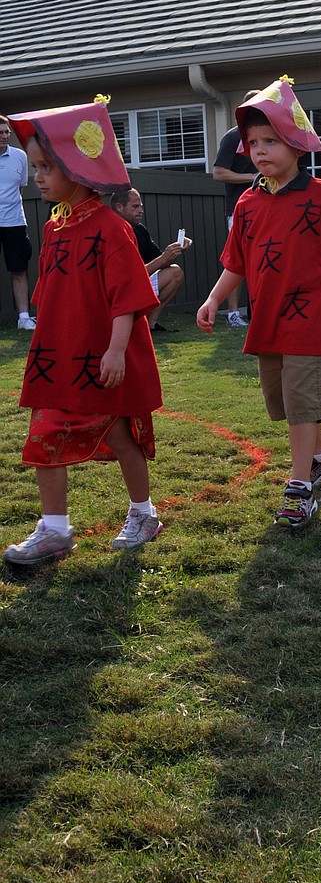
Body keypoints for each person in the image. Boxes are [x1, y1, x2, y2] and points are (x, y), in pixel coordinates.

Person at [197, 77, 321, 529]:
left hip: (310, 320)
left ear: (297, 145)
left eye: (270, 141)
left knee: (299, 399)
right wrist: (214, 298)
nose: (259, 150)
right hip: (268, 321)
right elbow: (236, 261)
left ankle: (300, 486)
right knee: (285, 401)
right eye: (253, 142)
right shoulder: (248, 204)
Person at [3, 98, 164, 566]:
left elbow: (128, 299)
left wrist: (115, 351)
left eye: (47, 166)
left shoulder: (113, 229)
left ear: (78, 166)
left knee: (119, 435)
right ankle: (54, 530)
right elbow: (51, 298)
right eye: (34, 166)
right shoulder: (54, 229)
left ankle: (143, 513)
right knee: (44, 436)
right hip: (59, 356)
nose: (37, 176)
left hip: (101, 357)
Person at [111, 187, 193, 330]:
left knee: (175, 272)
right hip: (118, 292)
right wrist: (162, 259)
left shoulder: (140, 230)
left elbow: (161, 261)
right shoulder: (112, 233)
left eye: (141, 206)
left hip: (138, 285)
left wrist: (179, 249)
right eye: (135, 207)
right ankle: (133, 325)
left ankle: (150, 324)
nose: (140, 210)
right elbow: (127, 277)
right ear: (119, 207)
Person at [212, 89, 260, 326]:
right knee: (237, 260)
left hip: (264, 206)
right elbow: (218, 172)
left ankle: (259, 309)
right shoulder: (232, 137)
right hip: (238, 209)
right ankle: (233, 313)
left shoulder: (266, 135)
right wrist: (251, 177)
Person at [0, 114, 36, 329]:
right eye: (0, 133)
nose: (4, 136)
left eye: (7, 133)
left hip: (14, 222)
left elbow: (20, 188)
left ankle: (23, 317)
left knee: (19, 269)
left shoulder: (20, 156)